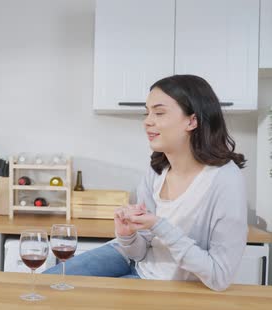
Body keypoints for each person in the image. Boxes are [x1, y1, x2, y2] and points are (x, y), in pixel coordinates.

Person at [44, 74, 247, 291]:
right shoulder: (158, 170)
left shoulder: (225, 180)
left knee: (83, 303)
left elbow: (219, 277)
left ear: (192, 120)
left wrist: (159, 226)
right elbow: (139, 252)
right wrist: (127, 234)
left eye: (159, 113)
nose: (147, 121)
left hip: (166, 284)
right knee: (49, 284)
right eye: (147, 112)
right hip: (136, 263)